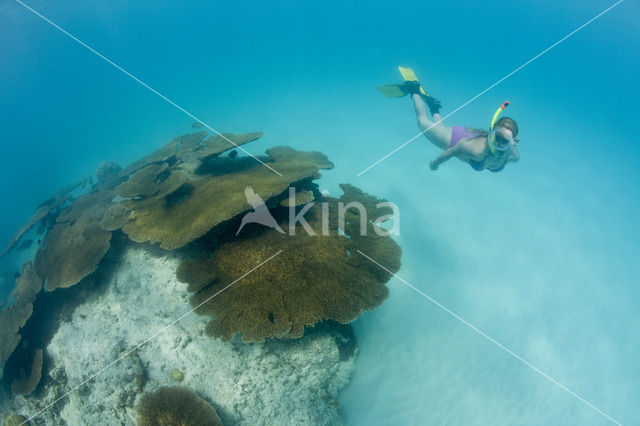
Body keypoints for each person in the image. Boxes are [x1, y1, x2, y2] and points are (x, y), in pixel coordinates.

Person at [378, 67, 520, 172]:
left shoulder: (514, 156)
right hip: (452, 140)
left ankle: (434, 108)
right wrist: (435, 163)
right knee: (421, 122)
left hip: (465, 135)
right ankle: (413, 88)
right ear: (491, 134)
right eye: (498, 138)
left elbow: (512, 155)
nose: (500, 144)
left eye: (505, 140)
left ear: (514, 141)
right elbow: (452, 152)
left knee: (439, 128)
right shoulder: (476, 150)